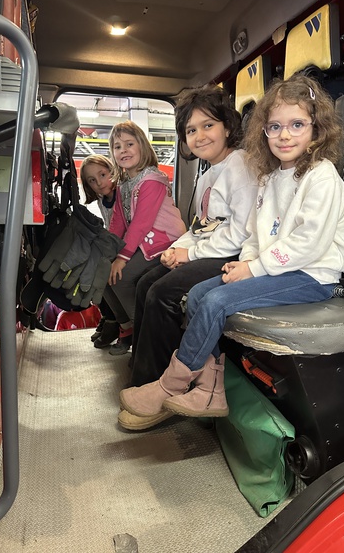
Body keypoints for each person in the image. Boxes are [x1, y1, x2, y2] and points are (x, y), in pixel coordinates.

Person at [118, 73, 344, 426]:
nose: (285, 135)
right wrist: (245, 263)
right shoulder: (270, 177)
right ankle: (209, 390)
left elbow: (309, 243)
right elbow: (257, 234)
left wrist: (254, 269)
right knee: (198, 294)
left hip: (311, 275)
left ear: (316, 128)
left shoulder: (321, 176)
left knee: (215, 301)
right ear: (263, 131)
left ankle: (170, 385)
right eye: (274, 127)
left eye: (296, 125)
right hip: (275, 269)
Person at [118, 84, 259, 430]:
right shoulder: (208, 174)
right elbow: (199, 227)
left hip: (234, 254)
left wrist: (190, 253)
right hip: (209, 249)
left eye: (208, 125)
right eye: (191, 130)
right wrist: (176, 248)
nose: (200, 136)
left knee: (162, 293)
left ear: (228, 126)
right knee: (145, 283)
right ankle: (143, 373)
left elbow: (241, 233)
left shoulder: (240, 166)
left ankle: (161, 390)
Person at [104, 120, 186, 354]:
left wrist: (121, 258)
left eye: (129, 144)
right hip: (143, 243)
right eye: (117, 147)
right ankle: (127, 327)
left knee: (121, 277)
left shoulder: (152, 180)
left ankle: (144, 332)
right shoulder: (124, 185)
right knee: (103, 274)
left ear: (142, 146)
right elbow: (118, 222)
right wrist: (105, 252)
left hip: (165, 242)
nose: (123, 150)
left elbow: (141, 224)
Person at [80, 154, 121, 349]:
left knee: (100, 271)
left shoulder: (122, 194)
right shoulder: (102, 201)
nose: (99, 183)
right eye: (92, 180)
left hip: (129, 245)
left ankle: (115, 320)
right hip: (116, 243)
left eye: (103, 175)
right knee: (87, 266)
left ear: (112, 171)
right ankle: (107, 314)